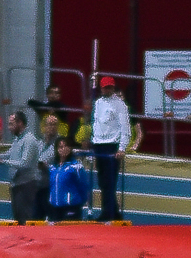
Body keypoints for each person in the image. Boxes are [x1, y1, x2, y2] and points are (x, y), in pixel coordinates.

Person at [91, 76, 130, 221]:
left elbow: (124, 127)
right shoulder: (98, 103)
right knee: (102, 181)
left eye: (110, 87)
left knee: (109, 180)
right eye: (105, 87)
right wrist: (93, 142)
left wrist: (122, 148)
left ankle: (108, 212)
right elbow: (96, 124)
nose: (108, 89)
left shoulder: (120, 105)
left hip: (111, 145)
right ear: (101, 88)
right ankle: (113, 211)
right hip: (99, 144)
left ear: (113, 88)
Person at [0, 110, 48, 224]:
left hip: (27, 185)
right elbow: (10, 152)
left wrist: (4, 161)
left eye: (11, 124)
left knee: (26, 218)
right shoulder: (18, 138)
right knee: (18, 218)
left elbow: (24, 163)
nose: (9, 127)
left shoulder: (29, 140)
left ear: (20, 123)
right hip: (17, 183)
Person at [46, 136, 91, 221]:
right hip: (55, 207)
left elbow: (83, 185)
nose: (63, 149)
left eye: (66, 146)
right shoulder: (52, 167)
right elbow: (51, 186)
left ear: (70, 148)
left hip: (71, 207)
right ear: (56, 149)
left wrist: (78, 202)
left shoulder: (76, 167)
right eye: (60, 147)